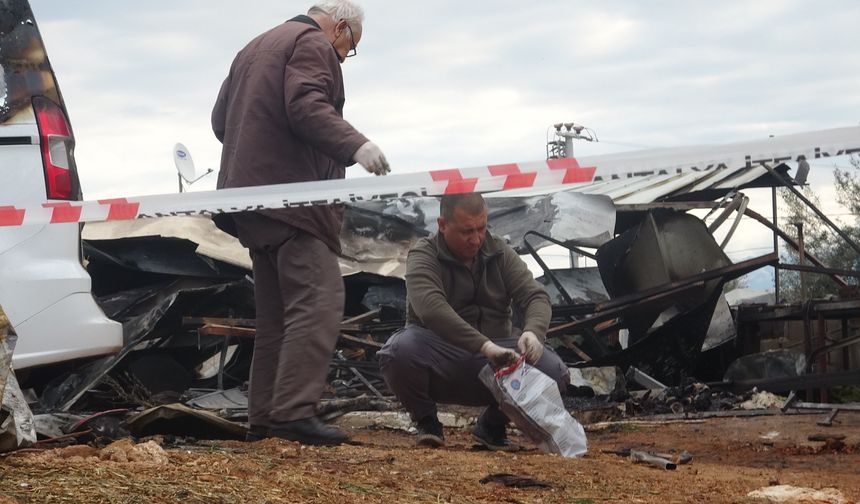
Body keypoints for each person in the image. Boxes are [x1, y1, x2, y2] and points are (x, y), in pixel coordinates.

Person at [211, 0, 389, 446]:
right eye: (351, 47)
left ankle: (264, 419)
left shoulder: (253, 48)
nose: (346, 56)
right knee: (319, 301)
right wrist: (356, 146)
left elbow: (220, 122)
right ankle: (292, 414)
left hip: (249, 201)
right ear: (341, 27)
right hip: (293, 201)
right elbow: (306, 105)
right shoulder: (312, 43)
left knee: (275, 317)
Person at [378, 193, 570, 450]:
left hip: (500, 358)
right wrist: (485, 347)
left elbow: (535, 295)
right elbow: (432, 309)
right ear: (442, 225)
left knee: (555, 372)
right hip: (444, 357)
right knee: (398, 351)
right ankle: (427, 422)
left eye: (481, 228)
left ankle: (491, 426)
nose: (476, 238)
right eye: (467, 231)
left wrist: (534, 332)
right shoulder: (423, 254)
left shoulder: (499, 251)